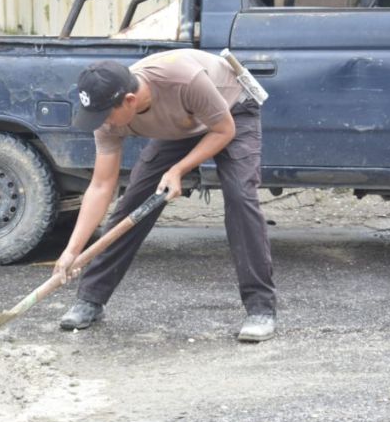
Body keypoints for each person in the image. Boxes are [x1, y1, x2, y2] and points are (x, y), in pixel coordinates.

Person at [53, 49, 276, 342]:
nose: (101, 123)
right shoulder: (107, 115)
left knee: (240, 198)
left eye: (104, 115)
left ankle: (261, 309)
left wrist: (179, 169)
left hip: (231, 111)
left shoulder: (183, 79)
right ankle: (90, 299)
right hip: (182, 124)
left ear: (129, 101)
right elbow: (101, 185)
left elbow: (223, 130)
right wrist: (73, 249)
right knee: (134, 201)